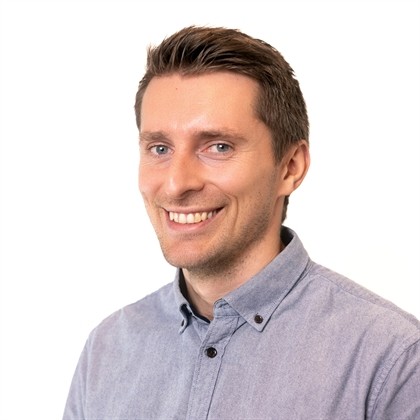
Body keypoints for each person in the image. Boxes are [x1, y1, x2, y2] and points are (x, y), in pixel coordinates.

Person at [63, 26, 420, 419]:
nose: (177, 183)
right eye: (160, 148)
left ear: (290, 167)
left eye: (218, 146)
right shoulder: (107, 351)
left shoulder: (392, 361)